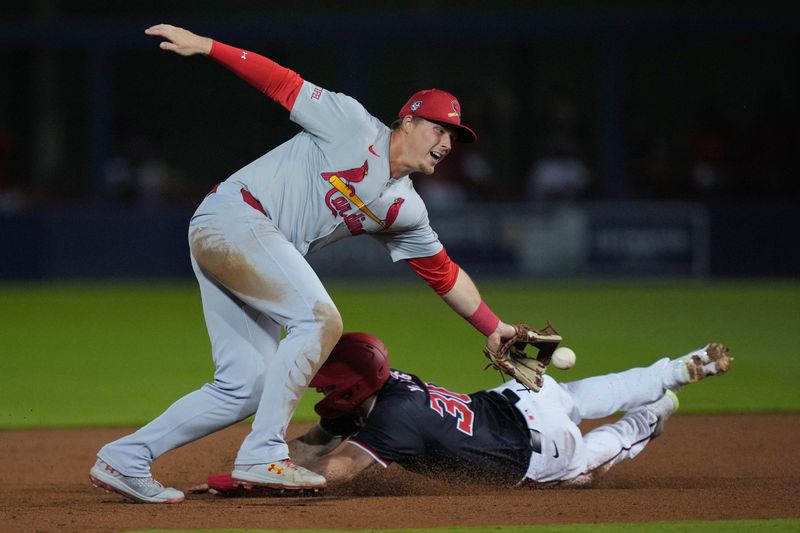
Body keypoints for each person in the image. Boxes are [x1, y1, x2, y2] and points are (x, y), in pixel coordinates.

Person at [89, 24, 519, 504]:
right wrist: (209, 47)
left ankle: (125, 458)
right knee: (318, 319)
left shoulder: (405, 208)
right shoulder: (353, 126)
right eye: (439, 128)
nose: (446, 142)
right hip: (235, 216)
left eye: (454, 137)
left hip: (244, 240)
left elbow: (443, 273)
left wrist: (493, 326)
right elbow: (281, 82)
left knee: (246, 386)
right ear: (408, 122)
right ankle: (263, 453)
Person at [196, 332, 729, 490]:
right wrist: (260, 468)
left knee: (586, 463)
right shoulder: (380, 389)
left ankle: (653, 414)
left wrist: (261, 485)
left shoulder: (389, 420)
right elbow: (312, 445)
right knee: (586, 392)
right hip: (523, 399)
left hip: (539, 451)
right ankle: (675, 370)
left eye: (333, 380)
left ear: (354, 386)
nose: (323, 387)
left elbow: (331, 470)